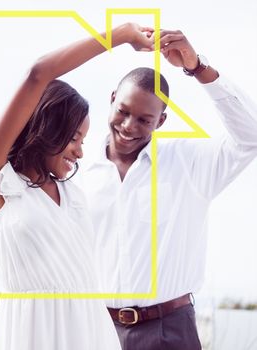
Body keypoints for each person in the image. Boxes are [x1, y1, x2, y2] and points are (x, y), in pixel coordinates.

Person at [0, 22, 155, 350]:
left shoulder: (71, 193)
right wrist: (122, 34)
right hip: (29, 335)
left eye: (83, 140)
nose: (80, 151)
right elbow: (39, 74)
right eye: (73, 138)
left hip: (89, 331)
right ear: (46, 128)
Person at [78, 29, 257, 349]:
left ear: (161, 121)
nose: (129, 126)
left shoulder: (190, 164)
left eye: (144, 119)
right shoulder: (77, 172)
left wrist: (198, 68)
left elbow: (250, 136)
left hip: (170, 331)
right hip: (96, 331)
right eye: (123, 111)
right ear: (111, 100)